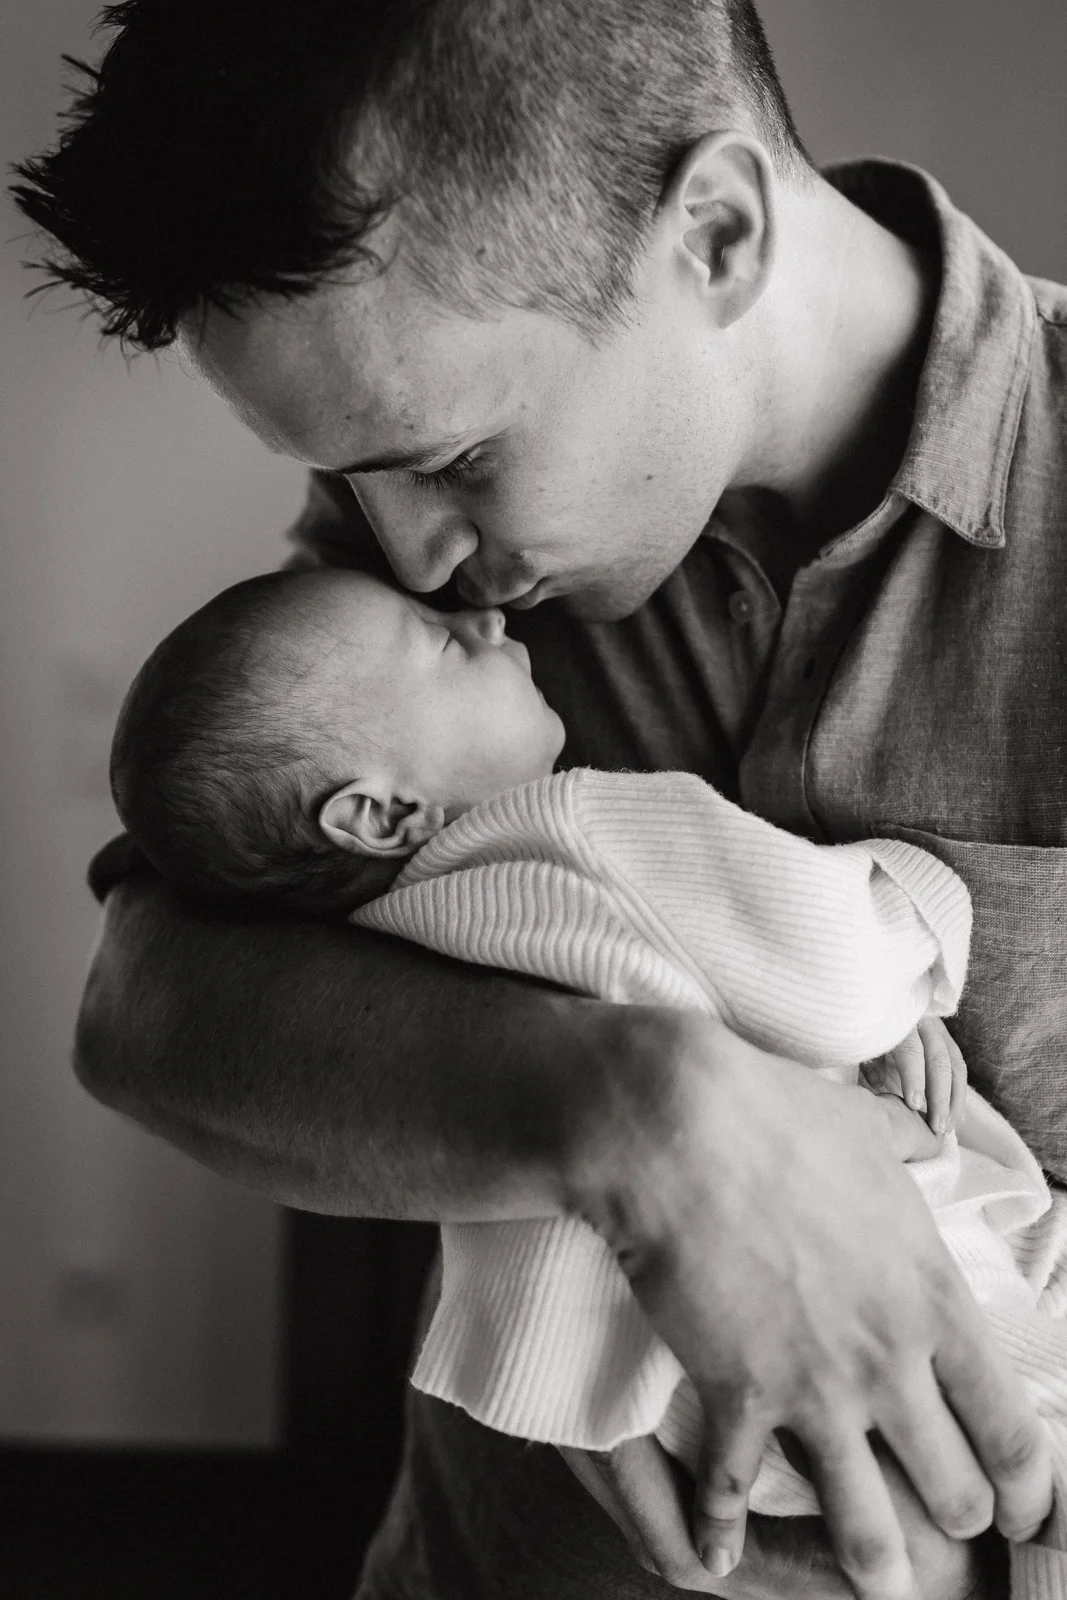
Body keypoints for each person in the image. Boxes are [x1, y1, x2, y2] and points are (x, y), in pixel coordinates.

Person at [12, 1, 1067, 1595]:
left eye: (449, 458)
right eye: (358, 475)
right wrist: (652, 1121)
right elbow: (150, 1003)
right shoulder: (428, 577)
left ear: (709, 236)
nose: (409, 549)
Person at [104, 560, 1067, 1600]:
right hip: (903, 1273)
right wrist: (915, 931)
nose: (477, 609)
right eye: (438, 643)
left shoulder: (387, 944)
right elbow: (823, 961)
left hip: (678, 1409)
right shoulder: (583, 829)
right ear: (379, 816)